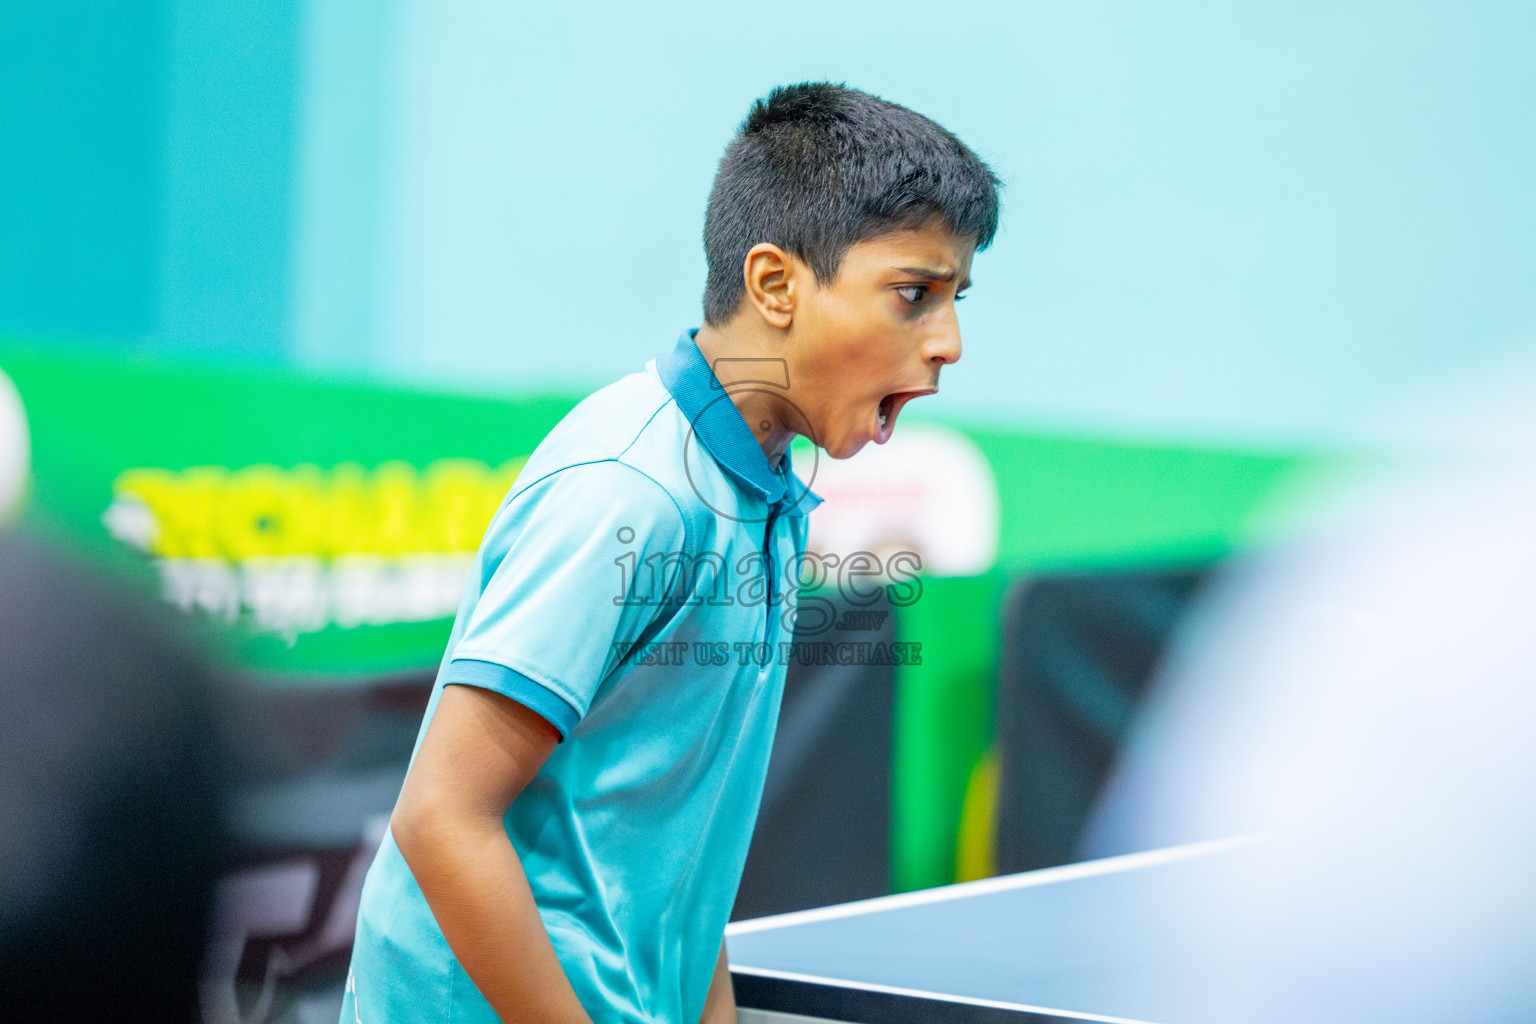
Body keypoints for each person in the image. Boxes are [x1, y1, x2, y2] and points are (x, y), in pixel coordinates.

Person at [339, 82, 1000, 1024]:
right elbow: (442, 820)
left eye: (956, 297)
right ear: (775, 285)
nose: (950, 343)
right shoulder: (631, 491)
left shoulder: (767, 491)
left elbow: (680, 841)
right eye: (913, 294)